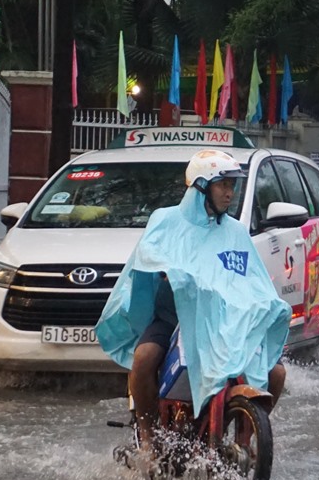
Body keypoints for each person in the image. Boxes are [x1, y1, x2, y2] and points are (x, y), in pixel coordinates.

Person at [96, 149, 292, 455]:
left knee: (276, 374)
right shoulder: (165, 219)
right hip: (174, 319)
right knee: (144, 358)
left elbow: (255, 281)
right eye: (223, 185)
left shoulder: (236, 232)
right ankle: (148, 439)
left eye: (232, 185)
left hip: (227, 324)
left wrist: (270, 305)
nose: (230, 193)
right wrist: (169, 272)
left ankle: (244, 440)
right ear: (201, 186)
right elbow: (148, 254)